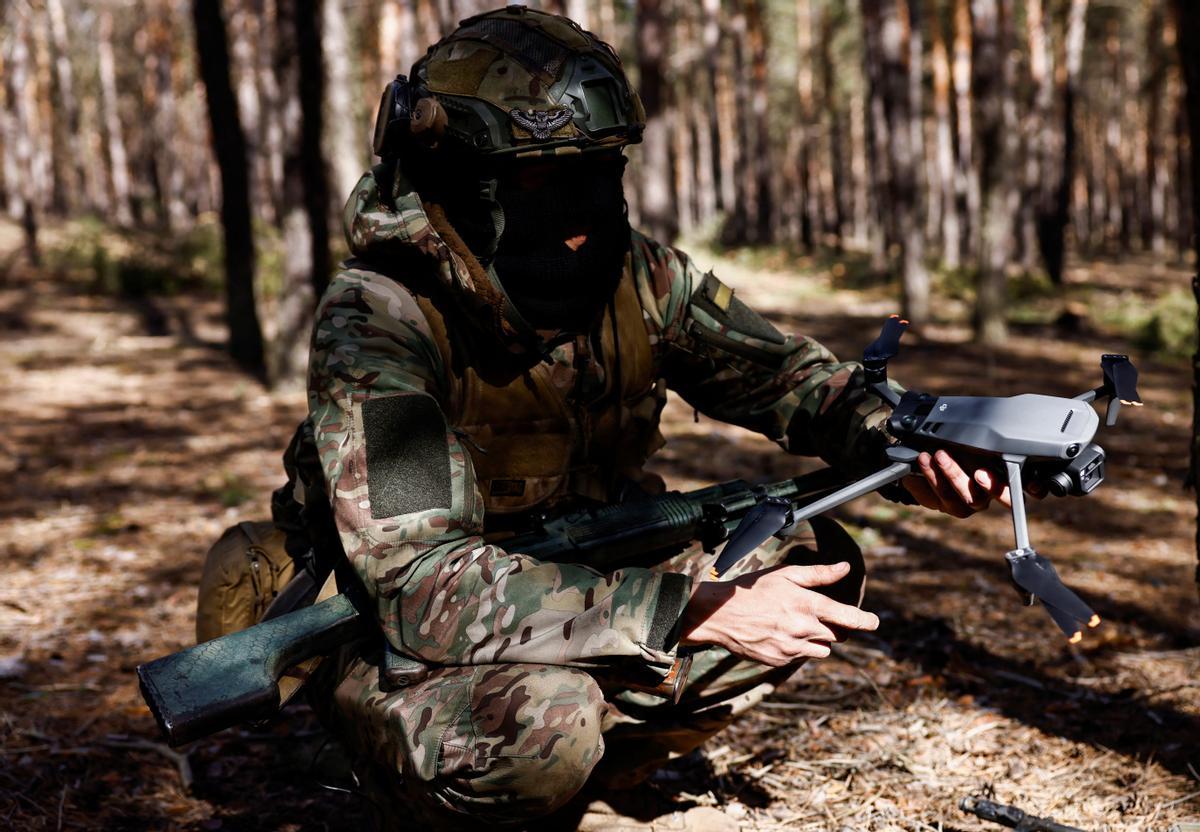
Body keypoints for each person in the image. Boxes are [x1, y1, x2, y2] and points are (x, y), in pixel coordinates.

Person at [273, 6, 1011, 829]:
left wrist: (910, 443)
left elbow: (788, 379)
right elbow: (421, 585)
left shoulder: (640, 278)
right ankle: (360, 752)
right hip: (400, 636)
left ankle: (585, 773)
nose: (583, 214)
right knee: (544, 730)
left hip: (576, 592)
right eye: (543, 178)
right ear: (463, 178)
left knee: (810, 563)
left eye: (600, 169)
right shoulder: (381, 321)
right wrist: (683, 612)